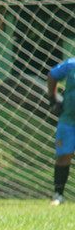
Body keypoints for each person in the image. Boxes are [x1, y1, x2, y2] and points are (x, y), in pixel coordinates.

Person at [47, 58, 75, 205]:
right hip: (68, 120)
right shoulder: (71, 65)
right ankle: (58, 194)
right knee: (63, 156)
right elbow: (52, 75)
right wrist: (53, 99)